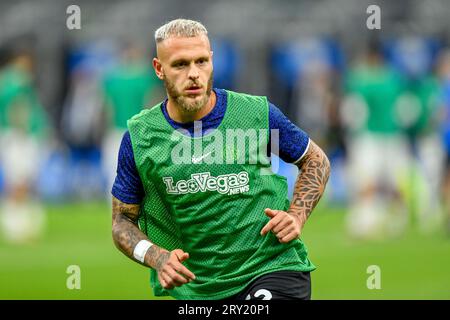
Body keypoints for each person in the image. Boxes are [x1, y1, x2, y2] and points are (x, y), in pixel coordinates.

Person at [111, 19, 330, 300]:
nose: (194, 74)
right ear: (159, 69)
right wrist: (156, 256)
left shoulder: (257, 114)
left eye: (201, 61)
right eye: (180, 64)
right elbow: (121, 222)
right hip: (197, 289)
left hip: (272, 268)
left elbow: (315, 160)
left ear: (212, 60)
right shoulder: (139, 137)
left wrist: (297, 215)